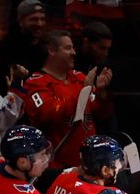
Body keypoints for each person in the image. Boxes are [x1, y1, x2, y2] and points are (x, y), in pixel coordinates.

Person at [20, 29, 113, 170]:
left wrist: (101, 93)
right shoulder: (36, 83)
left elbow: (102, 113)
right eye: (68, 48)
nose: (74, 53)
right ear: (52, 50)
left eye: (73, 48)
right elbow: (48, 114)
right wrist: (83, 92)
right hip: (57, 167)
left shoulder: (79, 78)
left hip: (89, 163)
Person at [0, 0, 46, 94]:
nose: (40, 24)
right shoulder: (9, 46)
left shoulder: (47, 45)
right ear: (21, 21)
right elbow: (3, 85)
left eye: (42, 19)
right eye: (34, 19)